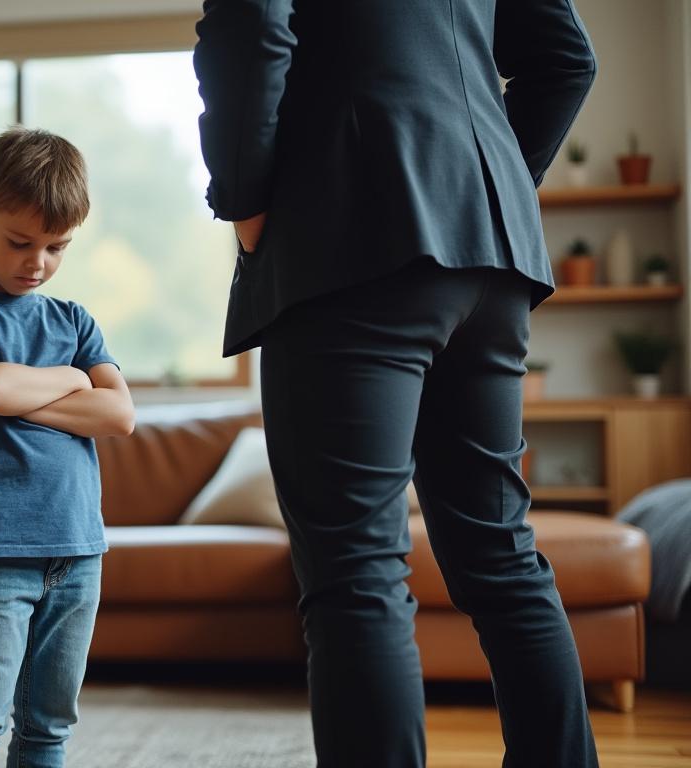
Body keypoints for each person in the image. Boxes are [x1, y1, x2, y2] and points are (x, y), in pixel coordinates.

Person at [193, 1, 599, 766]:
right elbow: (567, 60)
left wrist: (244, 201)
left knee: (356, 575)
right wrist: (490, 190)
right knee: (502, 555)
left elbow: (251, 23)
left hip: (350, 231)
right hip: (492, 252)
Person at [0, 127, 135, 768]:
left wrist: (21, 386)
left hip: (78, 548)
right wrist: (71, 380)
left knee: (49, 726)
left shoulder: (73, 321)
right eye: (19, 242)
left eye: (56, 247)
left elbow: (118, 414)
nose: (36, 261)